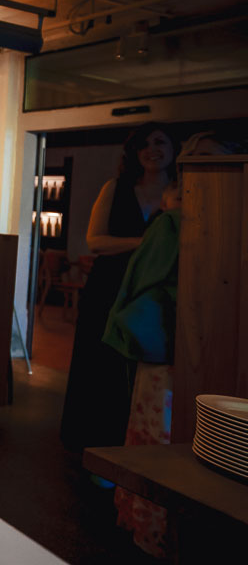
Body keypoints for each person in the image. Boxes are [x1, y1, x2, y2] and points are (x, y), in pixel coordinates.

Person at [101, 131, 230, 558]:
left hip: (163, 346)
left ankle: (151, 525)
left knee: (157, 434)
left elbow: (137, 284)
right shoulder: (226, 219)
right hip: (208, 346)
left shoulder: (173, 223)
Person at [59, 122, 175, 453]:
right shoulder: (116, 187)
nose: (152, 149)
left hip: (151, 290)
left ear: (173, 149)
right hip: (109, 286)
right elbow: (95, 240)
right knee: (99, 361)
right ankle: (90, 438)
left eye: (160, 141)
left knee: (142, 363)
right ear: (135, 154)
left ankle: (135, 438)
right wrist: (144, 242)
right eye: (144, 144)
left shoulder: (181, 192)